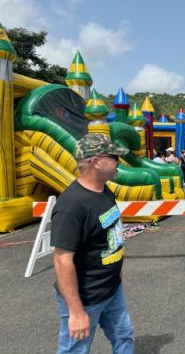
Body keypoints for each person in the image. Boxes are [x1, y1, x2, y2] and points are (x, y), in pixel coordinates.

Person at [50, 133, 134, 353]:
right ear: (96, 162)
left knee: (124, 337)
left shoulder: (104, 190)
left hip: (112, 288)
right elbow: (62, 260)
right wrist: (76, 312)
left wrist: (117, 271)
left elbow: (108, 236)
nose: (118, 162)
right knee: (75, 350)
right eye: (114, 157)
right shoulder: (71, 206)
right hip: (86, 297)